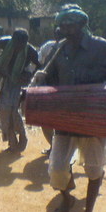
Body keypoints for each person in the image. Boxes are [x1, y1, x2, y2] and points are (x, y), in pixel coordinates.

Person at [34, 4, 106, 212]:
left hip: (94, 118)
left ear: (82, 24)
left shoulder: (101, 47)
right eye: (62, 24)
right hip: (65, 118)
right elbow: (49, 77)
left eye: (70, 23)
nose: (64, 27)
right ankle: (67, 198)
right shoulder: (58, 49)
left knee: (94, 169)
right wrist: (38, 82)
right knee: (57, 169)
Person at [0, 28, 41, 152]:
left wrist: (28, 76)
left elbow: (39, 67)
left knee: (12, 110)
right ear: (12, 40)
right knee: (4, 111)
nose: (18, 47)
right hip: (2, 79)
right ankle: (12, 142)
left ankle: (22, 138)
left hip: (18, 83)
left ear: (26, 43)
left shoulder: (31, 51)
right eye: (16, 44)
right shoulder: (4, 42)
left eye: (21, 45)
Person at [37, 27, 62, 155]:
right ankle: (54, 147)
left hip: (63, 90)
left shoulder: (75, 49)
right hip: (48, 88)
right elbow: (39, 62)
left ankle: (59, 149)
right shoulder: (48, 47)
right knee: (45, 121)